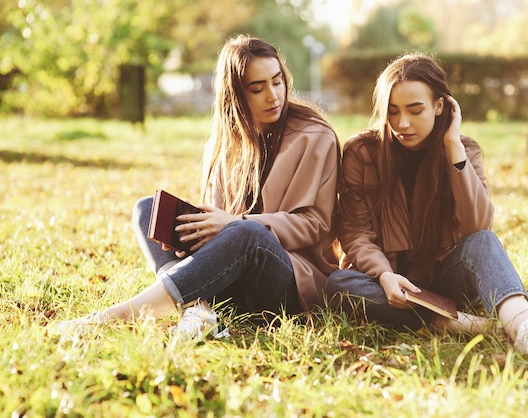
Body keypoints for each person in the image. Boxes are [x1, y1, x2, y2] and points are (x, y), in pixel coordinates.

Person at [58, 35, 340, 338]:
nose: (273, 96)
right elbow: (216, 222)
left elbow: (316, 225)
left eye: (277, 82)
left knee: (248, 234)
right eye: (257, 88)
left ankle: (118, 316)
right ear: (236, 96)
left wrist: (236, 223)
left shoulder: (315, 136)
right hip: (229, 276)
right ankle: (200, 310)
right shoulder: (225, 144)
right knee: (147, 209)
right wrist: (190, 237)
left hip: (287, 284)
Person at [325, 52, 528, 355]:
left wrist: (452, 149)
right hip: (383, 282)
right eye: (392, 112)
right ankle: (460, 323)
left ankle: (524, 328)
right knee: (339, 284)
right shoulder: (362, 152)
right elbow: (356, 233)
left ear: (439, 105)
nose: (402, 123)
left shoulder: (464, 150)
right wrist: (384, 274)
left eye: (415, 110)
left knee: (484, 242)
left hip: (446, 278)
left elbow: (477, 225)